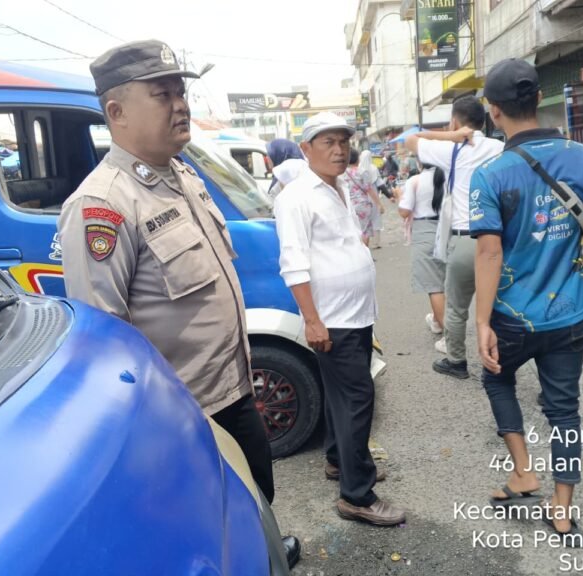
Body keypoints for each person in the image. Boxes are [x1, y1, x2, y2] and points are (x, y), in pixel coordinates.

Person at [57, 40, 300, 568]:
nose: (180, 104)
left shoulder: (183, 176)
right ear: (116, 112)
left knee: (258, 498)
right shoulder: (103, 205)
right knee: (211, 529)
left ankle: (266, 550)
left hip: (234, 389)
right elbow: (106, 343)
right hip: (186, 418)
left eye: (181, 91)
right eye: (161, 94)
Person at [469, 58, 583, 543]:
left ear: (493, 112)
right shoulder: (582, 158)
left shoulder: (491, 174)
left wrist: (481, 323)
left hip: (513, 317)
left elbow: (489, 252)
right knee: (563, 409)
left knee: (497, 381)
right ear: (538, 99)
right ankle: (561, 508)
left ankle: (523, 472)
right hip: (570, 314)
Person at [273, 112, 405, 527]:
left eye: (343, 141)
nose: (338, 149)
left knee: (340, 397)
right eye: (327, 142)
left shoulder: (340, 185)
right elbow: (293, 265)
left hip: (356, 313)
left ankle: (339, 462)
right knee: (356, 399)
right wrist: (312, 321)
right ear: (305, 149)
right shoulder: (296, 197)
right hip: (333, 319)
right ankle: (357, 495)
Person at [405, 95, 504, 378]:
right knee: (502, 305)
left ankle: (457, 362)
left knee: (457, 307)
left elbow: (411, 140)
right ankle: (502, 360)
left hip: (463, 239)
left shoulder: (452, 150)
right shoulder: (500, 146)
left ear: (455, 121)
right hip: (497, 238)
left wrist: (451, 135)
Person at [397, 164, 447, 341]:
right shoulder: (450, 176)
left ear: (419, 162)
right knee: (447, 282)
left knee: (434, 285)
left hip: (425, 230)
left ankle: (450, 339)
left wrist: (398, 197)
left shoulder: (415, 181)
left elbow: (404, 212)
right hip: (450, 229)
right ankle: (436, 320)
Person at [344, 148, 384, 245]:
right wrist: (379, 204)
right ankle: (365, 252)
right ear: (358, 159)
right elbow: (369, 189)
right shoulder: (362, 171)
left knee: (353, 230)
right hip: (362, 205)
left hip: (348, 205)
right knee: (365, 231)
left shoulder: (343, 173)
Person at [358, 150, 386, 249]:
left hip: (361, 198)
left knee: (364, 220)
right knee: (376, 218)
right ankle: (376, 242)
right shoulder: (373, 168)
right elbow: (380, 183)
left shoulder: (358, 169)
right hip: (373, 195)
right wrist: (389, 195)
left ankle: (364, 244)